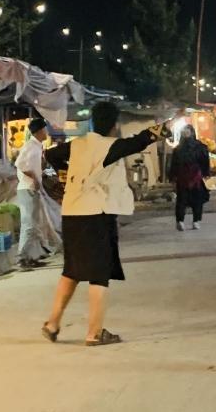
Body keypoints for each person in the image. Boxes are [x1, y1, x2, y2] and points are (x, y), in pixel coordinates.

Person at [41, 102, 159, 346]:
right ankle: (94, 332)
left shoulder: (79, 144)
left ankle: (52, 323)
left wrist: (70, 173)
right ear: (115, 124)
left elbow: (50, 155)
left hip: (72, 214)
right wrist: (161, 130)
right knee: (99, 274)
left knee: (71, 270)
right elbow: (138, 142)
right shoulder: (109, 145)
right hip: (96, 215)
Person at [13, 115, 57, 268]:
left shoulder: (37, 146)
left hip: (31, 189)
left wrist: (41, 172)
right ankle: (21, 258)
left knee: (35, 224)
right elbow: (20, 165)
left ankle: (33, 256)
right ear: (39, 131)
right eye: (45, 130)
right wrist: (36, 180)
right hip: (28, 189)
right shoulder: (31, 146)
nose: (47, 133)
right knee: (29, 225)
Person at [169, 125, 212, 232]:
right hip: (190, 177)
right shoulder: (196, 147)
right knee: (190, 200)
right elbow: (205, 161)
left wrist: (172, 177)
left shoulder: (182, 148)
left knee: (188, 200)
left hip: (188, 177)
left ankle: (188, 220)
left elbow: (174, 165)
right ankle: (189, 221)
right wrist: (206, 173)